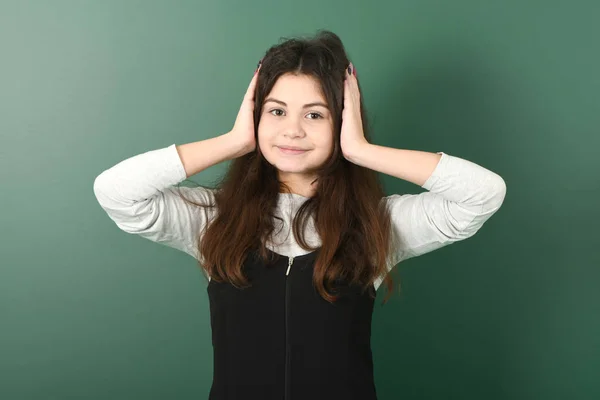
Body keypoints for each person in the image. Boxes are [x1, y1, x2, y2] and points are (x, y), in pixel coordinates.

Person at [93, 30, 506, 400]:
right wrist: (234, 141)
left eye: (315, 114)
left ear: (343, 122)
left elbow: (483, 195)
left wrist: (362, 152)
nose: (292, 130)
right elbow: (116, 193)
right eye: (276, 111)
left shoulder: (377, 223)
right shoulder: (214, 218)